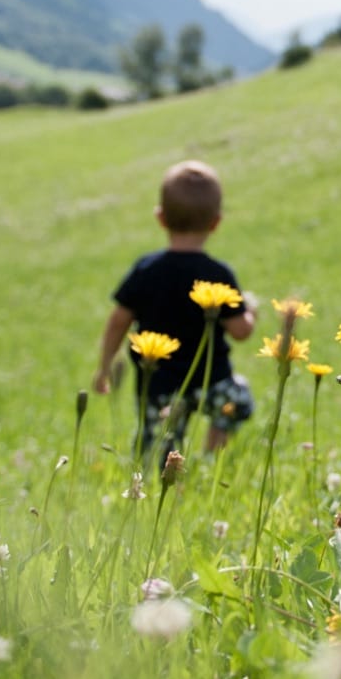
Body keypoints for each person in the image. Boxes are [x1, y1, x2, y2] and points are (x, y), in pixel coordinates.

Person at [94, 160, 258, 458]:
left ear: (161, 218)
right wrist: (252, 313)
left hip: (159, 386)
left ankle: (157, 484)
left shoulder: (145, 270)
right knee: (239, 402)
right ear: (216, 222)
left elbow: (118, 320)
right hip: (212, 383)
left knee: (156, 446)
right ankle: (210, 458)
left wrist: (105, 368)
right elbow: (241, 332)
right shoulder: (218, 274)